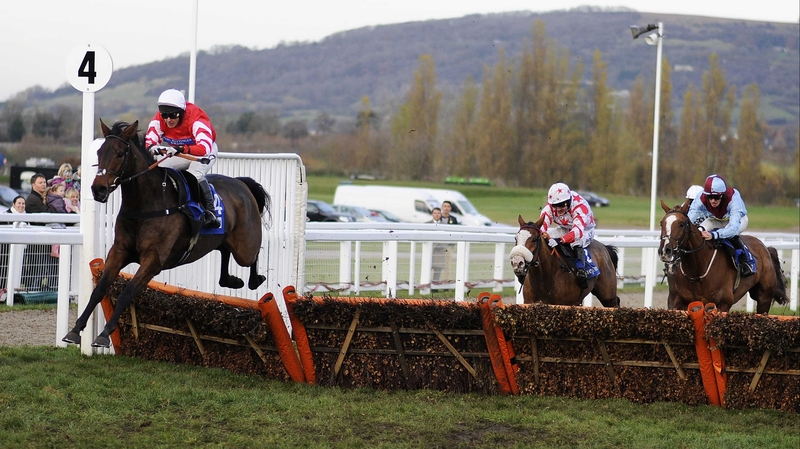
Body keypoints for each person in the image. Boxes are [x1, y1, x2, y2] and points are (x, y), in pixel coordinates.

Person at [145, 88, 220, 228]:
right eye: (165, 116)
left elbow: (204, 148)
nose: (168, 120)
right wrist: (151, 147)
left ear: (181, 112)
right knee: (160, 170)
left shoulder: (196, 119)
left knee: (194, 175)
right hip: (179, 151)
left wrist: (181, 148)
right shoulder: (159, 119)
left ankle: (211, 212)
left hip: (203, 152)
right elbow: (150, 140)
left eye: (172, 115)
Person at [687, 174, 755, 277]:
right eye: (710, 197)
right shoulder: (701, 197)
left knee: (731, 235)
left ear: (722, 195)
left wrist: (714, 235)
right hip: (715, 219)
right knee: (698, 230)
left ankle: (746, 261)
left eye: (716, 197)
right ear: (706, 195)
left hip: (737, 220)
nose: (713, 201)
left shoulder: (733, 197)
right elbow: (688, 221)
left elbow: (732, 228)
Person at [539, 182, 596, 287]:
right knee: (543, 238)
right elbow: (541, 227)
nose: (558, 209)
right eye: (555, 206)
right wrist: (543, 234)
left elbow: (577, 231)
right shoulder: (550, 207)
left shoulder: (580, 206)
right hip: (565, 228)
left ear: (569, 201)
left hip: (585, 230)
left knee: (576, 241)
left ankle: (581, 270)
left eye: (561, 205)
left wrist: (560, 240)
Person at [428, 207, 446, 283]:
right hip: (429, 250)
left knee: (438, 269)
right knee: (427, 267)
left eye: (438, 213)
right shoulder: (427, 224)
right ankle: (426, 285)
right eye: (435, 213)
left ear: (441, 214)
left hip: (439, 251)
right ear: (432, 214)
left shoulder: (444, 225)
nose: (436, 215)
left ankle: (435, 286)